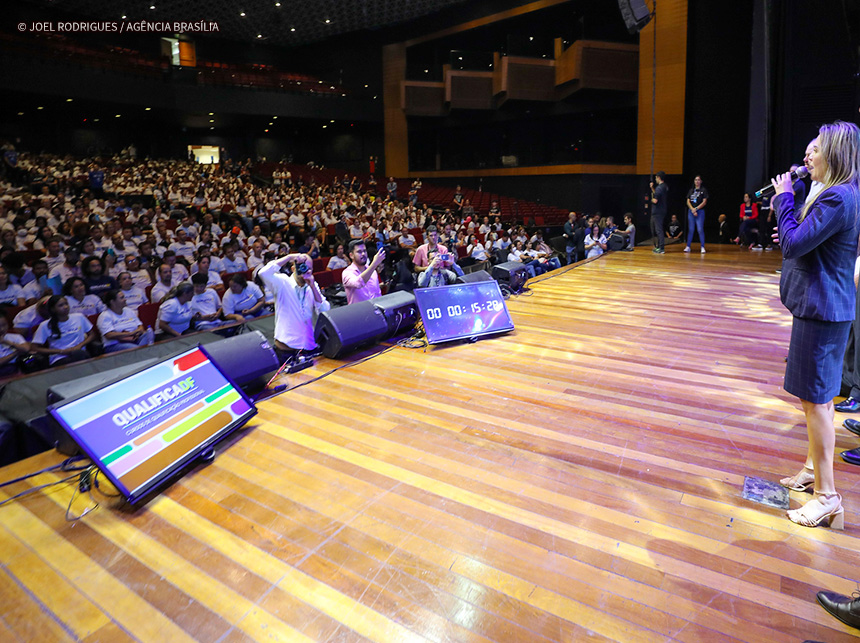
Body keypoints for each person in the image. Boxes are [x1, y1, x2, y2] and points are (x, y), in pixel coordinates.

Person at [773, 121, 860, 529]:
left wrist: (783, 199)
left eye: (816, 149)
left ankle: (827, 496)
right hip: (824, 308)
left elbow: (792, 243)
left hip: (822, 309)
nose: (808, 156)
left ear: (835, 155)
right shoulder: (836, 194)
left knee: (815, 402)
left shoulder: (837, 199)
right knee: (819, 400)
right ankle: (812, 470)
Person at [258, 252, 330, 359]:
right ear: (293, 268)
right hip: (286, 349)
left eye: (309, 268)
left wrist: (313, 288)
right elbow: (263, 273)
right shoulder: (282, 282)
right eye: (301, 266)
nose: (305, 269)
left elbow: (325, 310)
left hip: (308, 347)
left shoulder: (313, 285)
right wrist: (289, 257)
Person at [31, 295, 97, 366]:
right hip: (59, 358)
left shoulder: (79, 317)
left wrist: (80, 345)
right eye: (60, 305)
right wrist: (60, 351)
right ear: (53, 309)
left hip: (80, 353)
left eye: (66, 304)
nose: (65, 307)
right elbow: (34, 347)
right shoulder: (45, 325)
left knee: (79, 354)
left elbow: (92, 335)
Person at [343, 239, 383, 305]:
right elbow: (358, 283)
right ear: (351, 255)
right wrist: (374, 264)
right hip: (359, 313)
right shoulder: (347, 273)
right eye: (359, 252)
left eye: (364, 251)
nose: (363, 254)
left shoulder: (373, 272)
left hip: (376, 311)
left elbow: (377, 294)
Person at [685, 175, 708, 254]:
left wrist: (696, 209)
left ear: (701, 181)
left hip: (700, 212)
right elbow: (688, 201)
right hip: (691, 212)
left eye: (698, 180)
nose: (697, 181)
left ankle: (702, 246)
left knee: (700, 229)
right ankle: (688, 246)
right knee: (691, 229)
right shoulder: (691, 190)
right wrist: (692, 209)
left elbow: (704, 202)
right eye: (695, 180)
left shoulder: (703, 190)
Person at [650, 171, 668, 254]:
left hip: (658, 212)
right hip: (662, 210)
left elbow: (656, 200)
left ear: (659, 178)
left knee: (658, 229)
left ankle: (661, 248)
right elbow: (658, 195)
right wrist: (652, 188)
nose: (655, 179)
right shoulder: (664, 187)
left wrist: (651, 200)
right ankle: (660, 247)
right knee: (659, 229)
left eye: (656, 178)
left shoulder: (659, 188)